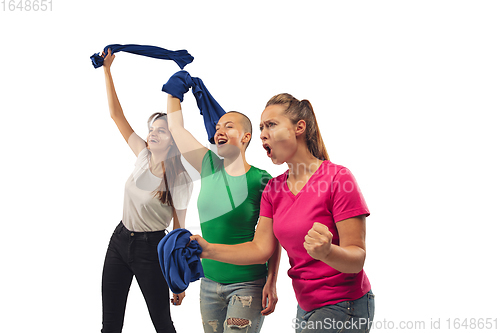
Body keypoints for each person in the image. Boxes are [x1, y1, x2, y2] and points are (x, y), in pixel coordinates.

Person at [191, 93, 375, 333]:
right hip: (306, 306)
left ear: (299, 128)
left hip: (345, 304)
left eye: (271, 125)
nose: (263, 134)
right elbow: (261, 249)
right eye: (260, 128)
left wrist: (328, 252)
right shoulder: (273, 189)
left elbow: (357, 259)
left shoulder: (338, 179)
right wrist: (207, 249)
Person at [165, 86, 281, 333]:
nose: (219, 130)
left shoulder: (262, 181)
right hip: (208, 284)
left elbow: (274, 235)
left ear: (246, 137)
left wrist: (272, 279)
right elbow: (176, 129)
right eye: (217, 127)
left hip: (247, 285)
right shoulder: (208, 164)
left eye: (228, 126)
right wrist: (174, 90)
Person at [100, 49, 193, 333]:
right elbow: (116, 115)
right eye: (152, 128)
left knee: (163, 324)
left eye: (162, 131)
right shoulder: (142, 154)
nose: (153, 133)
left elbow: (179, 231)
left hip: (151, 249)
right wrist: (107, 70)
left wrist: (179, 280)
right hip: (118, 241)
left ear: (173, 140)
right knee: (110, 325)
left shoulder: (179, 179)